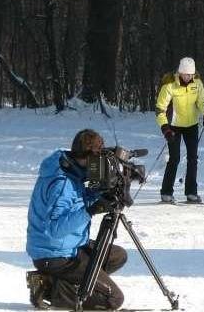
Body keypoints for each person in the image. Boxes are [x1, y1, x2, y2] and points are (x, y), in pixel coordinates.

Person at [26, 129, 126, 310]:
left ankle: (79, 284)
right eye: (97, 161)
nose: (98, 167)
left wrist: (101, 194)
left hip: (70, 246)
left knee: (117, 256)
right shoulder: (62, 183)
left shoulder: (71, 169)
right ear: (88, 157)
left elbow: (78, 200)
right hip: (53, 254)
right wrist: (91, 210)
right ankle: (48, 288)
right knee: (114, 299)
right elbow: (55, 229)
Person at [155, 57, 204, 204]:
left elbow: (202, 101)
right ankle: (166, 193)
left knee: (193, 159)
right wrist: (165, 128)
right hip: (174, 126)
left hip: (192, 125)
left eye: (190, 75)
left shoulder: (197, 84)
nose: (187, 77)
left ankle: (191, 192)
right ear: (179, 72)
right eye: (185, 74)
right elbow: (160, 110)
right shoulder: (169, 86)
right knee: (175, 158)